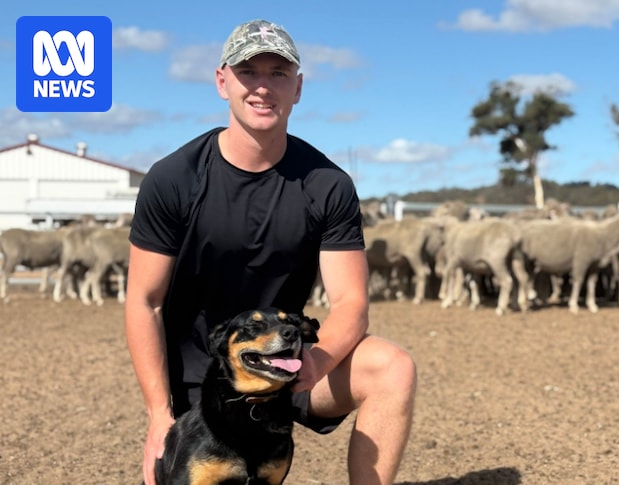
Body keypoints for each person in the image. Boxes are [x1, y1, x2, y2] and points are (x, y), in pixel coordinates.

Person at [124, 19, 417, 485]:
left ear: (297, 87)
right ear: (223, 82)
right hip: (199, 381)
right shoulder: (174, 179)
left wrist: (312, 364)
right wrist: (159, 416)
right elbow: (145, 301)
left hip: (286, 359)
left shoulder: (327, 185)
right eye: (248, 72)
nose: (263, 87)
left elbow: (350, 303)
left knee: (392, 367)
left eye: (278, 73)